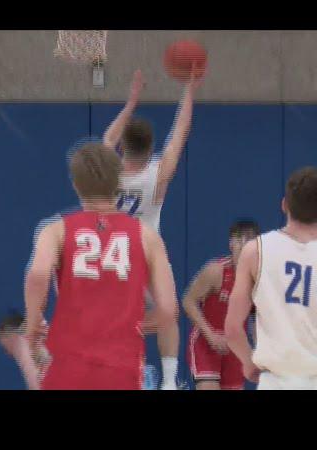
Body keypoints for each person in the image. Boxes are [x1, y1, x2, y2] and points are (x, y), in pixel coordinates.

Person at [23, 142, 177, 390]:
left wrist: (32, 327)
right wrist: (135, 325)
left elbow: (38, 274)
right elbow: (168, 311)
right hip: (122, 367)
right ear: (118, 183)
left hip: (66, 364)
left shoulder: (55, 230)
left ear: (75, 185)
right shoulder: (146, 236)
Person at [102, 68, 200, 389]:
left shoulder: (109, 171)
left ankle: (127, 370)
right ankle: (169, 381)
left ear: (122, 148)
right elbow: (181, 131)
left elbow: (108, 137)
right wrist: (189, 89)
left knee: (116, 319)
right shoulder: (158, 173)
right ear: (151, 147)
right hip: (147, 251)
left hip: (114, 253)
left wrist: (131, 101)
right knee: (167, 314)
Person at [226, 167, 317, 390]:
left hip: (274, 379)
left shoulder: (255, 250)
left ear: (284, 204)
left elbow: (232, 328)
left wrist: (248, 363)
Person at [183, 220, 259, 390]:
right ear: (231, 244)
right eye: (239, 241)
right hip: (206, 343)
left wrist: (259, 349)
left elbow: (256, 316)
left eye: (249, 242)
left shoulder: (258, 280)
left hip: (235, 347)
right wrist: (211, 335)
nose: (243, 246)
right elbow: (188, 301)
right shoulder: (216, 271)